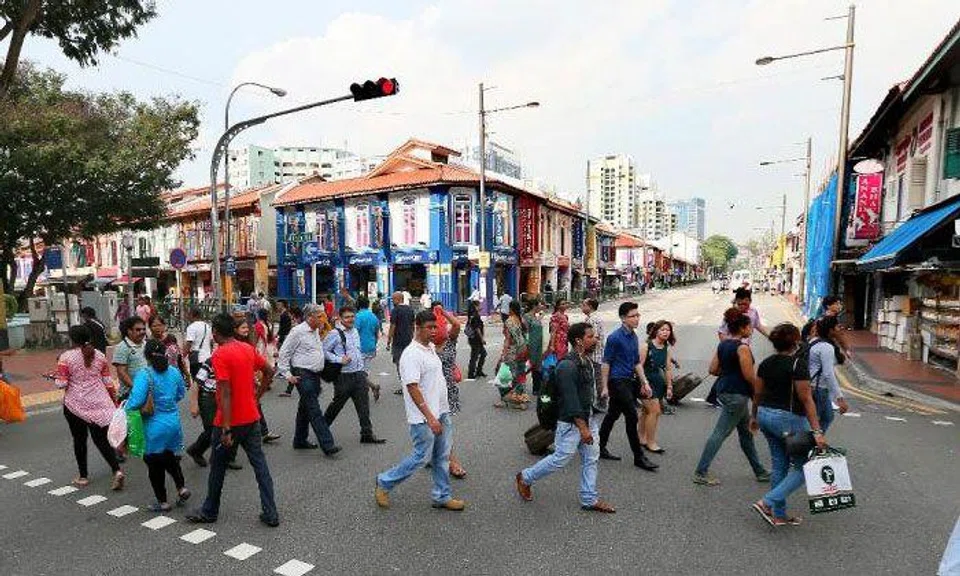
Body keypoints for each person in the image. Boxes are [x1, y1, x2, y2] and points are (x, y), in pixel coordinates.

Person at [186, 313, 280, 527]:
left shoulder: (220, 355)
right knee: (260, 466)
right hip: (251, 418)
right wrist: (257, 397)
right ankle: (270, 512)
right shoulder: (247, 348)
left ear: (216, 333)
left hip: (228, 421)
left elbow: (225, 392)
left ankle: (210, 511)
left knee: (217, 468)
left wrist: (227, 428)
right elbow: (268, 371)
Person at [515, 322, 615, 513]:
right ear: (578, 340)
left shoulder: (585, 360)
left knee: (591, 458)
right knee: (561, 458)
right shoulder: (567, 366)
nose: (596, 339)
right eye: (591, 336)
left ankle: (589, 498)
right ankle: (525, 477)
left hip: (589, 418)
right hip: (572, 423)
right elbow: (570, 400)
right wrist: (583, 428)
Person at [374, 310, 465, 512]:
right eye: (429, 327)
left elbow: (454, 332)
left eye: (435, 327)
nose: (434, 331)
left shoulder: (430, 347)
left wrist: (441, 413)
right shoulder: (411, 354)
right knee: (421, 457)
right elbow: (412, 387)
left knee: (442, 456)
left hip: (441, 411)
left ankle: (442, 496)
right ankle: (384, 482)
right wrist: (430, 417)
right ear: (417, 327)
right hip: (424, 418)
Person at [750, 323, 827, 526]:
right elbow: (806, 398)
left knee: (780, 465)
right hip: (788, 419)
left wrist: (754, 416)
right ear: (795, 342)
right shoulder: (797, 365)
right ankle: (767, 502)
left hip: (766, 416)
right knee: (806, 466)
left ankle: (779, 515)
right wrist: (817, 431)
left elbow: (757, 393)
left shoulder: (766, 363)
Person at [693, 308, 770, 486]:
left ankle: (760, 471)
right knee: (720, 433)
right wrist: (758, 393)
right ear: (742, 328)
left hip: (725, 390)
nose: (751, 329)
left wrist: (728, 370)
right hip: (737, 394)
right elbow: (749, 376)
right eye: (749, 326)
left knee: (745, 434)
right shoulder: (743, 348)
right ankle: (700, 472)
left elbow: (712, 369)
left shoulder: (723, 344)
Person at [55, 325, 124, 490]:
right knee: (101, 440)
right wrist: (113, 400)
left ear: (72, 339)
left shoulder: (66, 357)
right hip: (99, 403)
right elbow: (108, 382)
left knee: (79, 440)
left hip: (75, 405)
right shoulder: (99, 355)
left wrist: (55, 377)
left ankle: (83, 476)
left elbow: (62, 383)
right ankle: (117, 470)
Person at [127, 339, 190, 512]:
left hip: (153, 425)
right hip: (173, 423)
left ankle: (162, 501)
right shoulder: (174, 372)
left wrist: (125, 407)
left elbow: (135, 402)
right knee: (170, 456)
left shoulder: (144, 374)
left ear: (146, 356)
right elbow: (180, 394)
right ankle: (181, 487)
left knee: (154, 464)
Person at [597, 302, 658, 472]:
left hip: (628, 381)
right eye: (633, 316)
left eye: (638, 315)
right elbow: (606, 362)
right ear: (623, 318)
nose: (637, 318)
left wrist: (645, 382)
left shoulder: (634, 336)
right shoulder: (615, 337)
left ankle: (599, 447)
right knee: (632, 416)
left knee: (612, 415)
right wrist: (604, 386)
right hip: (617, 381)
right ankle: (639, 457)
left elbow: (636, 362)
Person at [276, 304, 341, 455]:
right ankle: (327, 444)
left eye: (323, 315)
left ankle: (299, 439)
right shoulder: (297, 332)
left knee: (305, 408)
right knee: (314, 409)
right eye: (319, 316)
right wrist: (287, 374)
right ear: (309, 317)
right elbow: (284, 353)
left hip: (314, 374)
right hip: (302, 373)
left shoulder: (316, 330)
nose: (323, 319)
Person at [323, 305, 386, 444]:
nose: (350, 319)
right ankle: (322, 429)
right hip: (343, 376)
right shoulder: (335, 334)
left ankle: (367, 434)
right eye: (347, 317)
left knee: (363, 406)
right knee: (336, 405)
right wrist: (339, 359)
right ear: (340, 318)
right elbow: (324, 351)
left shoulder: (355, 332)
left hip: (358, 374)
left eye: (352, 316)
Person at [435, 305, 466, 478]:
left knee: (443, 425)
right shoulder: (427, 345)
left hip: (448, 390)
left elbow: (456, 325)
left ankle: (446, 458)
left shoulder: (449, 341)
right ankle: (446, 458)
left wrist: (443, 312)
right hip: (431, 392)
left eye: (438, 326)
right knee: (438, 426)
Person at [807, 316, 849, 431]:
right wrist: (840, 398)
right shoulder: (826, 347)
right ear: (830, 330)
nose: (839, 329)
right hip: (818, 389)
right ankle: (812, 444)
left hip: (812, 385)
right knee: (818, 421)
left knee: (827, 417)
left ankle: (813, 443)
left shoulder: (814, 341)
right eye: (837, 326)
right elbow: (828, 374)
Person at [639, 320, 674, 453]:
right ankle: (651, 442)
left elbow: (668, 369)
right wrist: (643, 384)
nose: (666, 332)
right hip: (645, 382)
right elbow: (638, 367)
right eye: (662, 330)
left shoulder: (667, 348)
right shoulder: (646, 346)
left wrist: (669, 387)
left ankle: (641, 437)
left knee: (646, 411)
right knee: (655, 411)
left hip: (658, 382)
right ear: (656, 331)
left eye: (668, 330)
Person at [497, 300, 529, 408]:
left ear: (510, 309)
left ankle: (505, 398)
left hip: (512, 351)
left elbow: (508, 339)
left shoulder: (509, 321)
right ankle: (521, 399)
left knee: (503, 374)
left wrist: (503, 355)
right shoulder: (522, 320)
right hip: (523, 350)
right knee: (520, 375)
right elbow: (525, 336)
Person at [801, 295, 852, 360]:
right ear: (828, 306)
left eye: (840, 303)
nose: (839, 306)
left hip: (815, 346)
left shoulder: (821, 317)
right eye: (836, 304)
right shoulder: (832, 320)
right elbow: (839, 336)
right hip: (825, 349)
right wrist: (847, 350)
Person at [387, 291, 416, 395]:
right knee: (409, 363)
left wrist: (389, 340)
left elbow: (393, 326)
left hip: (398, 342)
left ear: (398, 299)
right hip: (409, 340)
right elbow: (413, 325)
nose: (392, 301)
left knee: (400, 364)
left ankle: (405, 386)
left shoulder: (395, 310)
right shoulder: (410, 309)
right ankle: (412, 384)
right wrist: (412, 336)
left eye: (393, 299)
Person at [148, 314, 191, 384]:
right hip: (158, 380)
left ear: (164, 326)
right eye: (154, 326)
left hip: (175, 377)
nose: (157, 328)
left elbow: (180, 358)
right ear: (150, 327)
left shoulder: (171, 338)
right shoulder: (149, 343)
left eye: (160, 325)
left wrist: (187, 375)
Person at [113, 316, 148, 401]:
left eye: (143, 329)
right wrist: (136, 388)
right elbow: (121, 372)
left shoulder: (146, 344)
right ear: (129, 331)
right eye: (138, 330)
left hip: (147, 392)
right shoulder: (122, 347)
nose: (142, 332)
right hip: (130, 395)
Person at [581, 298, 607, 411]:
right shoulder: (591, 318)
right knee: (596, 379)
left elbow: (594, 338)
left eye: (584, 305)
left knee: (597, 379)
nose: (582, 307)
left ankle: (601, 403)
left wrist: (586, 350)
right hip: (596, 353)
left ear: (590, 306)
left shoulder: (593, 319)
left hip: (594, 354)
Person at [522, 298, 546, 394]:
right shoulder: (526, 317)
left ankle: (537, 388)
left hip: (538, 346)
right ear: (534, 306)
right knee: (529, 365)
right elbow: (526, 332)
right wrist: (526, 345)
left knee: (537, 366)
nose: (541, 306)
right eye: (539, 305)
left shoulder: (535, 316)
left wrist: (540, 318)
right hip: (531, 345)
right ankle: (517, 385)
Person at [184, 307, 212, 380]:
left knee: (196, 380)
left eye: (188, 314)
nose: (187, 316)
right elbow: (211, 342)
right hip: (207, 358)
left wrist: (183, 356)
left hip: (196, 359)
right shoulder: (208, 326)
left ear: (192, 315)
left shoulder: (191, 327)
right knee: (205, 380)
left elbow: (189, 344)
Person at [466, 300, 487, 380]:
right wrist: (482, 339)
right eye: (479, 305)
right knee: (475, 356)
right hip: (476, 339)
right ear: (475, 306)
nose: (480, 307)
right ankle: (471, 373)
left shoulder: (472, 315)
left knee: (483, 354)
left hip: (473, 339)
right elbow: (477, 328)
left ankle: (478, 371)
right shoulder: (475, 316)